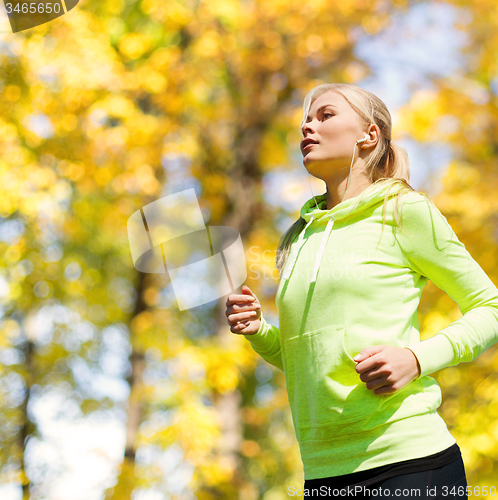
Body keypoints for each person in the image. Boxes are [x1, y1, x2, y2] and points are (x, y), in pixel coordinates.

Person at [225, 83, 498, 498]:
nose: (307, 126)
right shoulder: (297, 238)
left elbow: (490, 307)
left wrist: (415, 358)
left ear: (368, 136)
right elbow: (310, 358)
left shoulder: (403, 210)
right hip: (323, 473)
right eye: (306, 119)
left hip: (409, 461)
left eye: (325, 115)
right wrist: (259, 331)